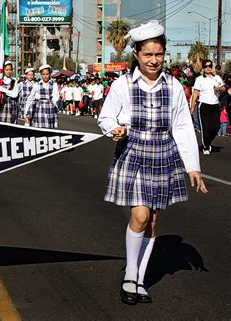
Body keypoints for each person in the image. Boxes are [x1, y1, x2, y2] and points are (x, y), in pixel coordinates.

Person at [97, 20, 208, 305]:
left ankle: (140, 280)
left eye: (158, 54)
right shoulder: (122, 84)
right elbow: (105, 117)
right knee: (141, 216)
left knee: (154, 221)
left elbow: (182, 126)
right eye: (148, 55)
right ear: (136, 54)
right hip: (132, 152)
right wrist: (114, 129)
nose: (154, 60)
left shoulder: (172, 86)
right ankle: (129, 277)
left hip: (162, 153)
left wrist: (192, 166)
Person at [190, 60, 225, 154]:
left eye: (210, 66)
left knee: (216, 126)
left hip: (215, 105)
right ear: (203, 68)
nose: (208, 68)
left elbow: (224, 88)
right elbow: (196, 93)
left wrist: (219, 88)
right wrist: (192, 106)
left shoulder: (217, 78)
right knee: (205, 127)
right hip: (204, 105)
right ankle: (205, 146)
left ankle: (208, 142)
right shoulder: (199, 79)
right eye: (206, 66)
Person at [24, 64, 59, 128]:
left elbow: (55, 97)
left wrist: (55, 107)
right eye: (43, 74)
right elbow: (30, 98)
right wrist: (26, 113)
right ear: (41, 74)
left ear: (50, 74)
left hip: (50, 109)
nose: (45, 76)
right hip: (39, 109)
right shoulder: (37, 85)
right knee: (39, 128)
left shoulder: (54, 85)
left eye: (47, 74)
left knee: (49, 129)